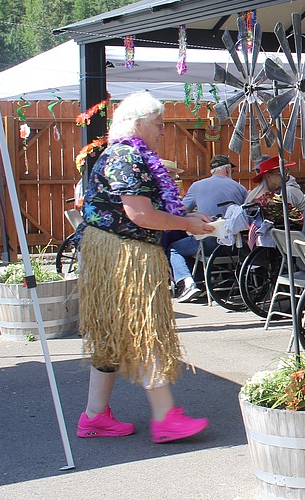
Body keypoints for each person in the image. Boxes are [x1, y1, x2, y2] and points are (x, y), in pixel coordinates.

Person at [74, 91, 214, 444]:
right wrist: (185, 225)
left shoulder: (130, 155)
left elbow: (147, 209)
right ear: (137, 124)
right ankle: (166, 417)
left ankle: (95, 415)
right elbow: (141, 215)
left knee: (109, 334)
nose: (163, 132)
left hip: (116, 250)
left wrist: (186, 216)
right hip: (124, 254)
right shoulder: (125, 156)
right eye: (158, 124)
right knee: (144, 326)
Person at [169, 154, 247, 302]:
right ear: (228, 169)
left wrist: (195, 214)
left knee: (175, 248)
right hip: (235, 244)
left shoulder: (197, 186)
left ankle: (188, 283)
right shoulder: (240, 188)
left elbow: (181, 210)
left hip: (209, 242)